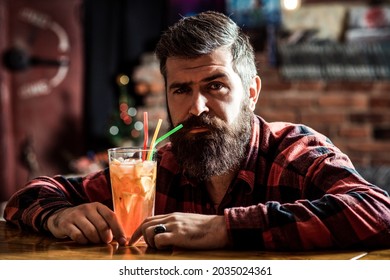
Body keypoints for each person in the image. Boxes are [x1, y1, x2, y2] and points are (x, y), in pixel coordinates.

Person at [4, 11, 390, 251]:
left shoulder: (293, 151)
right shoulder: (157, 167)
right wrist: (58, 217)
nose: (196, 107)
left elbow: (377, 212)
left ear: (251, 93)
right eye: (181, 90)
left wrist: (225, 229)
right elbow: (30, 196)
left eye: (215, 86)